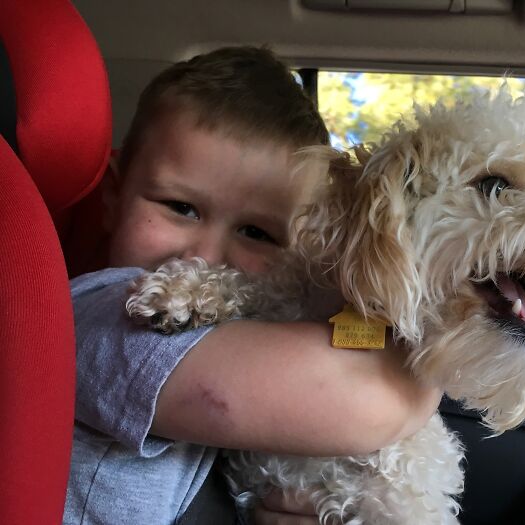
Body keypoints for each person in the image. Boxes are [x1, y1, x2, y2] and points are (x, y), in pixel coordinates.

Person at [62, 46, 442, 525]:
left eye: (257, 233)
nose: (203, 255)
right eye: (181, 207)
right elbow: (363, 399)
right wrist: (432, 366)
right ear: (113, 197)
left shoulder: (245, 335)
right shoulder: (99, 313)